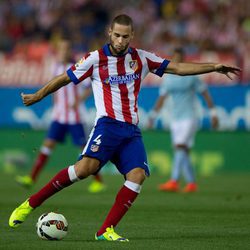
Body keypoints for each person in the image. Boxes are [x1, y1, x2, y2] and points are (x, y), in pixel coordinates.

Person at [9, 14, 240, 242]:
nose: (120, 40)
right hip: (107, 126)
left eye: (125, 36)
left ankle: (105, 231)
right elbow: (64, 78)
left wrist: (213, 66)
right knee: (83, 170)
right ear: (110, 32)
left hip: (131, 131)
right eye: (117, 35)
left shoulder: (142, 58)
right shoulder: (95, 59)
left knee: (137, 175)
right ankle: (30, 204)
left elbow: (177, 68)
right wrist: (38, 95)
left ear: (132, 36)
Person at [15, 39, 105, 193]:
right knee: (47, 145)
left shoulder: (77, 67)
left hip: (75, 117)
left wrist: (78, 101)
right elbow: (53, 88)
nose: (64, 51)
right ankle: (31, 178)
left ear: (70, 51)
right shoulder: (55, 67)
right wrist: (55, 105)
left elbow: (89, 88)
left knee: (85, 151)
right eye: (62, 49)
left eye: (67, 49)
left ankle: (98, 181)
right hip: (59, 116)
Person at [148, 48, 219, 193]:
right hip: (175, 118)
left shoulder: (192, 76)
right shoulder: (168, 78)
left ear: (183, 59)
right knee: (183, 151)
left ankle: (173, 181)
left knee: (180, 147)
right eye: (175, 58)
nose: (177, 61)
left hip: (190, 116)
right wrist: (153, 116)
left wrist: (213, 113)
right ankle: (192, 183)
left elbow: (205, 93)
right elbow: (162, 97)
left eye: (180, 58)